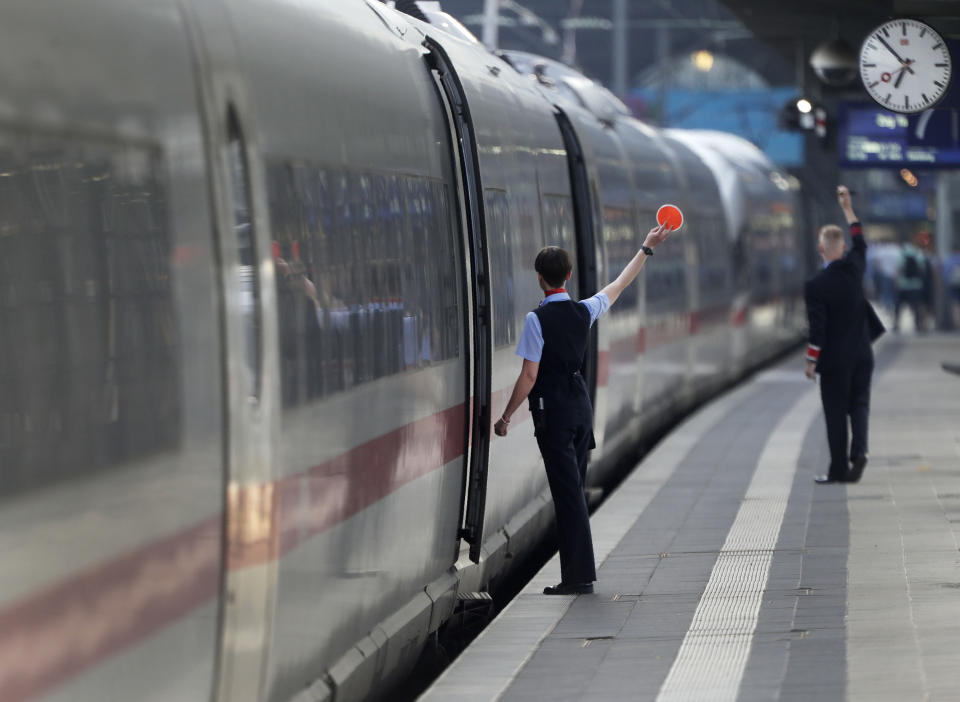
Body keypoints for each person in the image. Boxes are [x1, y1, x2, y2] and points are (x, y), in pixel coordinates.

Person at [493, 222, 672, 595]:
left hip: (553, 415)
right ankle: (578, 573)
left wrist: (507, 415)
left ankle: (577, 577)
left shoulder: (535, 319)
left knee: (568, 494)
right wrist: (646, 247)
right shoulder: (583, 311)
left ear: (539, 278)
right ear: (569, 276)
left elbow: (529, 375)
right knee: (573, 487)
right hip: (580, 409)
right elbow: (619, 285)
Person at [804, 185, 882, 484]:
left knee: (836, 414)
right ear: (844, 249)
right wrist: (848, 208)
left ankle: (838, 470)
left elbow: (817, 328)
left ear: (822, 249)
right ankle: (859, 451)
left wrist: (812, 361)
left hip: (834, 362)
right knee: (859, 404)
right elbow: (860, 241)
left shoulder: (816, 285)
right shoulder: (855, 268)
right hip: (863, 354)